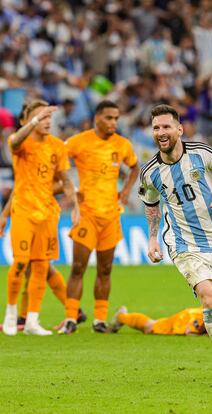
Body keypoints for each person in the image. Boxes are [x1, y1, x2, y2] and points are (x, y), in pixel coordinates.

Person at [139, 104, 212, 386]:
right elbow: (151, 203)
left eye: (166, 127)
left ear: (179, 129)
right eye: (156, 128)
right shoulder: (150, 172)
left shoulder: (204, 153)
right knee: (208, 296)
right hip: (184, 243)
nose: (161, 133)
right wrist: (153, 237)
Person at [59, 100, 139, 335]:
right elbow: (58, 160)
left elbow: (135, 168)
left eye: (116, 118)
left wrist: (125, 191)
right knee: (77, 267)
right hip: (87, 214)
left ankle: (99, 320)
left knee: (105, 270)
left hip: (111, 215)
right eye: (108, 118)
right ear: (97, 118)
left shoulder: (122, 145)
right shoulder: (79, 142)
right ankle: (70, 319)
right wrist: (69, 189)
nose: (113, 122)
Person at [1, 100, 80, 336]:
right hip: (24, 210)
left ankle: (33, 321)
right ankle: (11, 314)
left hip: (48, 213)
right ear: (30, 120)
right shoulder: (21, 143)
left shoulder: (57, 146)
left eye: (48, 118)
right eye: (42, 117)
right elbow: (14, 141)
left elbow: (65, 179)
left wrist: (75, 206)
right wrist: (34, 119)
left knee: (41, 266)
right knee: (21, 262)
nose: (47, 122)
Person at [0, 188, 86, 331]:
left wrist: (42, 190)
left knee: (36, 265)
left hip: (43, 214)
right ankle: (72, 310)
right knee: (34, 267)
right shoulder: (25, 169)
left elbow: (61, 182)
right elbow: (20, 186)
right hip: (29, 211)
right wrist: (5, 213)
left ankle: (28, 317)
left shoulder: (49, 167)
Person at [108, 306, 212, 337]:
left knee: (153, 324)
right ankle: (121, 316)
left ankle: (123, 316)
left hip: (193, 312)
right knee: (150, 327)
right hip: (184, 320)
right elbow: (190, 331)